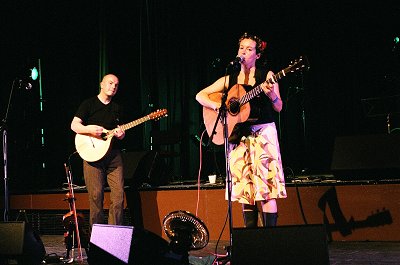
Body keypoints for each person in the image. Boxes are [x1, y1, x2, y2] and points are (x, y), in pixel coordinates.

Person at [196, 33, 287, 227]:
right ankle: (251, 240)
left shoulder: (267, 76)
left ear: (257, 55)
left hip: (262, 134)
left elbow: (279, 106)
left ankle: (270, 239)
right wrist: (219, 107)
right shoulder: (230, 79)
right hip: (239, 136)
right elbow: (200, 96)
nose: (244, 52)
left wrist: (271, 95)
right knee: (246, 190)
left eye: (249, 49)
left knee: (266, 188)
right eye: (241, 48)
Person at [71, 73, 126, 229]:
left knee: (118, 196)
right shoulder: (88, 104)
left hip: (113, 155)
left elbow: (120, 132)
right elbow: (74, 125)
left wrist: (121, 135)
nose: (113, 87)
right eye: (110, 83)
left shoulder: (117, 108)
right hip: (93, 156)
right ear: (101, 84)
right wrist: (89, 130)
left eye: (116, 85)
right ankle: (97, 238)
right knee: (96, 196)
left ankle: (114, 235)